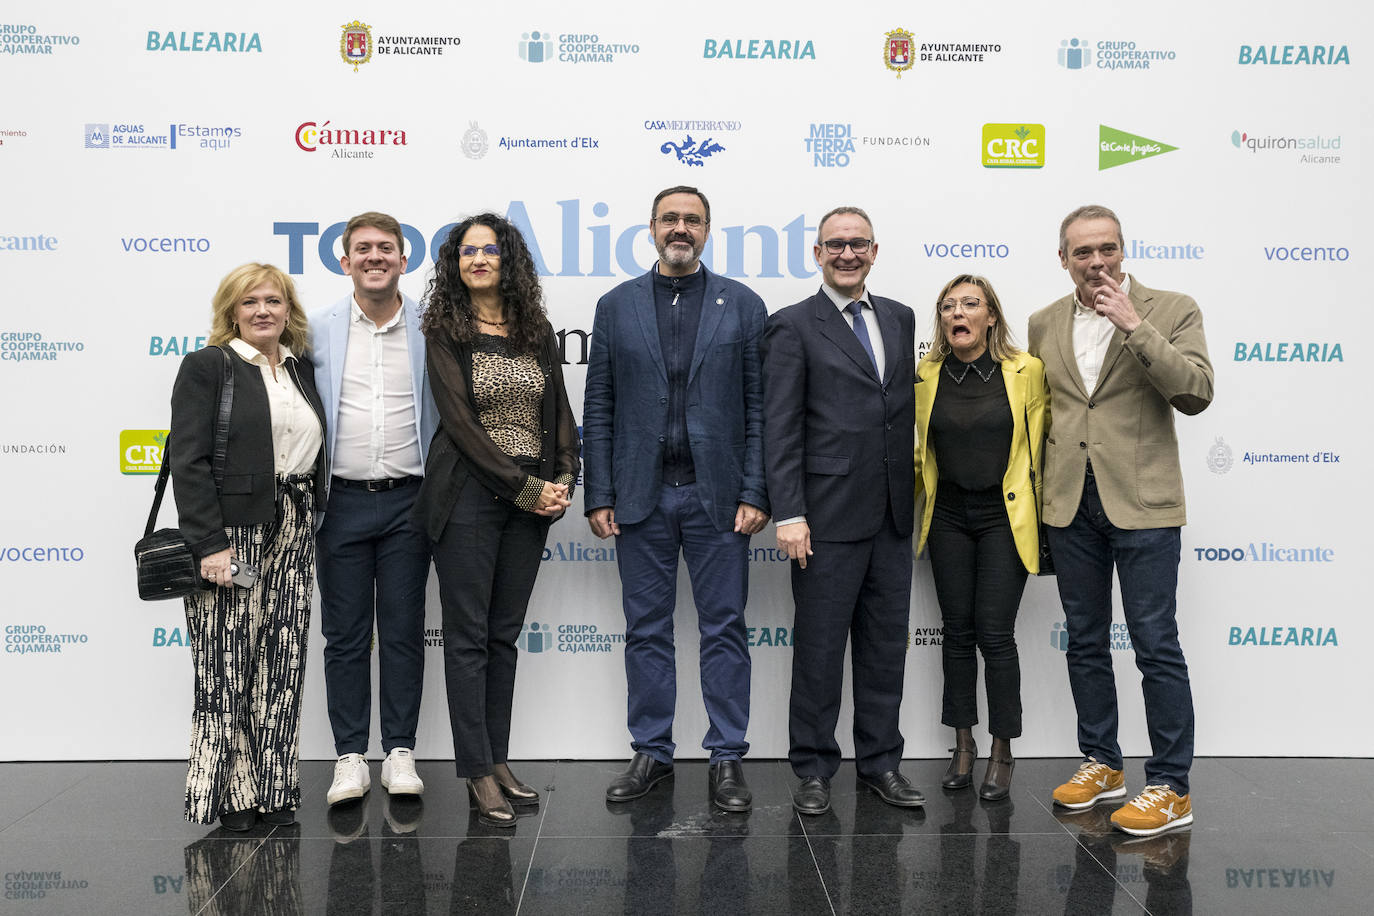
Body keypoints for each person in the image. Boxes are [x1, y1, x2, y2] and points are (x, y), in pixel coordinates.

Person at [1028, 204, 1213, 837]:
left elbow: (1194, 392)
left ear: (1123, 249)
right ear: (1063, 259)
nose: (1097, 261)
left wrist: (1135, 327)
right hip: (1068, 504)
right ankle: (1102, 762)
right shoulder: (1042, 321)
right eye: (1083, 252)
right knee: (1084, 640)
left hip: (1145, 506)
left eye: (1107, 248)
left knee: (1155, 642)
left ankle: (1169, 785)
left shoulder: (1172, 307)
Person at [582, 185, 769, 813]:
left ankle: (726, 758)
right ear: (652, 228)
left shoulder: (742, 305)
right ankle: (652, 752)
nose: (680, 228)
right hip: (641, 497)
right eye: (670, 219)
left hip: (720, 500)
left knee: (724, 628)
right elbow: (600, 405)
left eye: (692, 219)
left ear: (708, 230)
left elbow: (759, 409)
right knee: (646, 631)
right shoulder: (616, 306)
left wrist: (754, 490)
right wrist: (599, 492)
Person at [413, 213, 580, 828]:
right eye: (466, 252)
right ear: (454, 265)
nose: (478, 259)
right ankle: (476, 772)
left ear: (508, 259)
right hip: (469, 500)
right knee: (468, 638)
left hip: (531, 500)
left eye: (489, 250)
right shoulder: (445, 328)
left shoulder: (534, 328)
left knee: (502, 636)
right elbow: (460, 425)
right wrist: (526, 488)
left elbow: (558, 409)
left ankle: (498, 759)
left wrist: (563, 475)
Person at [762, 205, 920, 815]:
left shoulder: (902, 319)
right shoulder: (793, 325)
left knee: (885, 649)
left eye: (858, 244)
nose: (847, 254)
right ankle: (813, 768)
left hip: (891, 516)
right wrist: (789, 512)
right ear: (818, 254)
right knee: (821, 650)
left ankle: (881, 763)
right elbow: (781, 428)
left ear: (874, 251)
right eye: (835, 245)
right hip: (823, 518)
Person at [170, 263, 327, 831]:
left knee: (282, 661)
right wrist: (209, 545)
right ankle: (232, 796)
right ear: (231, 312)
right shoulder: (209, 366)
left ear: (289, 310)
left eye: (274, 300)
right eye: (250, 302)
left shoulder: (301, 370)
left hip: (293, 526)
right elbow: (187, 462)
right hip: (232, 531)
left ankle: (275, 790)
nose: (263, 310)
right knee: (226, 662)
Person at [309, 212, 437, 808]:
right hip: (340, 503)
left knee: (405, 630)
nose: (375, 257)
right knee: (345, 635)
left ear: (404, 260)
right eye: (363, 248)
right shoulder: (317, 330)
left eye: (386, 248)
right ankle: (350, 756)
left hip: (412, 501)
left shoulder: (432, 328)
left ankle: (401, 751)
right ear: (345, 260)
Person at [913, 275, 1048, 801]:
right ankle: (962, 745)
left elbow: (1044, 448)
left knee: (995, 636)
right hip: (946, 516)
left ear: (991, 316)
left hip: (1003, 518)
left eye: (970, 304)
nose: (957, 313)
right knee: (956, 633)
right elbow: (913, 453)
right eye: (947, 306)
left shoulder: (1026, 371)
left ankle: (1001, 750)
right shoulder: (926, 375)